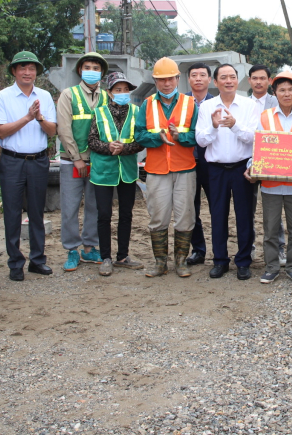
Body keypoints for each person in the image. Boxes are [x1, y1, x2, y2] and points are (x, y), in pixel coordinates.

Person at [244, 72, 292, 283]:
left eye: (290, 90)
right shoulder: (265, 116)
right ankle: (271, 267)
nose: (286, 94)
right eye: (281, 90)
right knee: (270, 229)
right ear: (275, 93)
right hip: (271, 185)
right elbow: (258, 148)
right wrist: (251, 167)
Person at [0, 51, 57, 282]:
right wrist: (28, 117)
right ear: (14, 71)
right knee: (12, 213)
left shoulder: (45, 96)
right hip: (12, 161)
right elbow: (1, 131)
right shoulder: (2, 97)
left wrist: (39, 118)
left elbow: (52, 131)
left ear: (36, 72)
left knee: (37, 212)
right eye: (22, 68)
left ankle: (37, 260)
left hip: (38, 161)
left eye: (31, 68)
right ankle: (15, 263)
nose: (27, 73)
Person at [135, 57, 200, 277]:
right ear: (155, 81)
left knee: (185, 216)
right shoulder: (147, 104)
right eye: (161, 80)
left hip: (184, 169)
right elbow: (139, 134)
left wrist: (181, 137)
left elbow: (198, 135)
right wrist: (157, 137)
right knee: (158, 216)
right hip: (157, 169)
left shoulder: (190, 103)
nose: (166, 83)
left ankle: (180, 262)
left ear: (177, 79)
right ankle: (160, 263)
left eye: (170, 79)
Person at [196, 64, 258, 280]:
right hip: (216, 169)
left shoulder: (249, 105)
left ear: (237, 80)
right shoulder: (207, 107)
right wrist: (214, 126)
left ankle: (243, 261)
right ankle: (220, 260)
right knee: (218, 215)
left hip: (242, 168)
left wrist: (234, 125)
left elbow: (254, 137)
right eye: (223, 77)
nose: (228, 81)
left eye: (232, 76)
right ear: (215, 82)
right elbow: (200, 140)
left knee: (245, 216)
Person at [87, 72, 144, 276]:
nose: (122, 93)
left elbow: (141, 140)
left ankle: (122, 255)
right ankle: (106, 258)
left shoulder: (137, 112)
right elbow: (92, 140)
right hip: (103, 171)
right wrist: (108, 147)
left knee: (126, 214)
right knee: (104, 214)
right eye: (118, 89)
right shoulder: (99, 112)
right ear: (110, 93)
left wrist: (125, 148)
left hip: (127, 170)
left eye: (126, 89)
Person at [56, 52, 109, 272]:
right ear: (80, 70)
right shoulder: (68, 94)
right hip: (72, 162)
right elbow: (63, 128)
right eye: (87, 67)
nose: (91, 71)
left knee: (94, 206)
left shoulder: (106, 97)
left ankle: (89, 247)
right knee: (70, 207)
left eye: (96, 68)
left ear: (102, 73)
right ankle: (71, 249)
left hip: (98, 161)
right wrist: (76, 158)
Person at [246, 63, 282, 263]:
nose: (258, 82)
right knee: (247, 208)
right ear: (249, 80)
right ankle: (249, 247)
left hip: (274, 161)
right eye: (255, 78)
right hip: (248, 162)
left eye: (262, 78)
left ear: (270, 81)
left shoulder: (278, 101)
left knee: (275, 210)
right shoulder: (243, 103)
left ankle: (280, 248)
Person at [184, 62, 215, 266]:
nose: (198, 78)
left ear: (209, 79)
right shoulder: (182, 103)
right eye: (194, 75)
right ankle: (198, 250)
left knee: (217, 207)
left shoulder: (216, 103)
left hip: (211, 162)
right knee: (191, 208)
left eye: (202, 75)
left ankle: (220, 249)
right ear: (188, 79)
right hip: (187, 161)